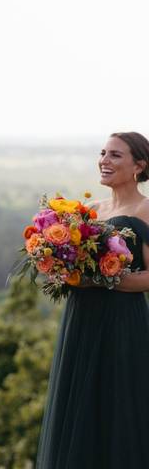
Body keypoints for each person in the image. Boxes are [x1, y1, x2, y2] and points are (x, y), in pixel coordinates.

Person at [36, 131, 149, 467]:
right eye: (103, 153)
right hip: (81, 319)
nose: (104, 160)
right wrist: (57, 266)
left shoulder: (146, 210)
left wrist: (103, 279)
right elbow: (71, 265)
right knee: (79, 409)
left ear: (138, 166)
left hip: (121, 323)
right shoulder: (88, 212)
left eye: (115, 155)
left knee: (117, 407)